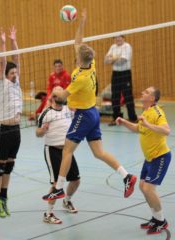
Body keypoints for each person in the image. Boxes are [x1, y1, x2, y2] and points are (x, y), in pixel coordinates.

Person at [42, 9, 137, 202]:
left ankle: (58, 188)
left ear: (79, 59)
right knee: (99, 153)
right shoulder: (90, 64)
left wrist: (55, 92)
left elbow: (61, 98)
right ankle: (127, 176)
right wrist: (82, 22)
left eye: (77, 53)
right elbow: (78, 42)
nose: (75, 52)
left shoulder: (80, 79)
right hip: (92, 112)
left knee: (67, 150)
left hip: (84, 115)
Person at [116, 86, 171, 235]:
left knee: (148, 188)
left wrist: (148, 124)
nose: (142, 93)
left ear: (152, 98)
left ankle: (161, 221)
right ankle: (155, 218)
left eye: (146, 92)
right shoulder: (146, 112)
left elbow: (167, 130)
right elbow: (138, 129)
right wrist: (124, 121)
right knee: (142, 186)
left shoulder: (157, 112)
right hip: (149, 159)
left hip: (160, 157)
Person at [36, 86, 80, 224]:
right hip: (52, 150)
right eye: (58, 94)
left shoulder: (68, 110)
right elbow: (37, 133)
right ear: (54, 97)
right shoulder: (46, 113)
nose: (61, 96)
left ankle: (67, 201)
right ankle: (48, 214)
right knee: (57, 184)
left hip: (67, 150)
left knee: (76, 180)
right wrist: (43, 130)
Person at [0, 26, 22, 218]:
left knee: (9, 165)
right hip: (1, 128)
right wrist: (3, 44)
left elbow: (17, 58)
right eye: (13, 73)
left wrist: (13, 40)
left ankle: (3, 197)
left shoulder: (16, 81)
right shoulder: (0, 82)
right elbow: (3, 62)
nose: (16, 74)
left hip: (16, 129)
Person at [104, 35, 137, 126]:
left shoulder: (127, 46)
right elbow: (106, 61)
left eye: (119, 37)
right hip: (115, 74)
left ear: (123, 38)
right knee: (115, 97)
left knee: (128, 96)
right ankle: (116, 118)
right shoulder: (113, 47)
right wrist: (115, 58)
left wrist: (112, 59)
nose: (118, 39)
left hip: (125, 74)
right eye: (115, 38)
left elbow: (123, 60)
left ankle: (133, 118)